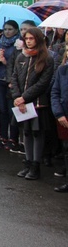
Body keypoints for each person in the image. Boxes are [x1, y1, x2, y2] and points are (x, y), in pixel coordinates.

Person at [10, 27, 55, 180]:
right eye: (26, 39)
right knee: (26, 133)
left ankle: (36, 165)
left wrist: (24, 97)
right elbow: (14, 77)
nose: (28, 41)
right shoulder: (21, 57)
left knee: (37, 133)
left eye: (31, 39)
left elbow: (43, 83)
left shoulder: (46, 59)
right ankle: (27, 163)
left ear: (38, 40)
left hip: (37, 102)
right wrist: (17, 97)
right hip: (21, 103)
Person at [0, 20, 21, 150]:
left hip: (12, 82)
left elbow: (18, 66)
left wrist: (4, 61)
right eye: (5, 29)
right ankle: (3, 136)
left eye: (10, 29)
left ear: (16, 30)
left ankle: (13, 138)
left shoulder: (18, 44)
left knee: (11, 110)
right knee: (2, 110)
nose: (7, 32)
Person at [51, 50, 68, 192]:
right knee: (66, 148)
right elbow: (55, 92)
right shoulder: (62, 70)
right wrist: (59, 114)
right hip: (64, 116)